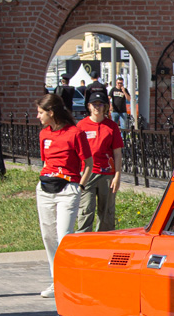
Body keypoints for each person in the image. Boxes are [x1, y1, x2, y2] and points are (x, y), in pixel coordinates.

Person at [36, 92, 93, 298]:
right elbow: (45, 162)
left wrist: (80, 186)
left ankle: (68, 281)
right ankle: (55, 281)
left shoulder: (75, 133)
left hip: (68, 188)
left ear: (51, 112)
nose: (38, 116)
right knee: (48, 236)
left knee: (64, 237)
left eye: (41, 112)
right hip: (46, 188)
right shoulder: (44, 134)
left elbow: (88, 163)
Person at [76, 88, 124, 232]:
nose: (97, 107)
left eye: (100, 104)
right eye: (94, 104)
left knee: (107, 212)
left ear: (105, 107)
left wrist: (117, 175)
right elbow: (76, 152)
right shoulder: (81, 126)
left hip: (107, 174)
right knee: (86, 209)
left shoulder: (112, 126)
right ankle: (83, 242)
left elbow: (117, 153)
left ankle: (104, 242)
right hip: (87, 174)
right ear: (89, 106)